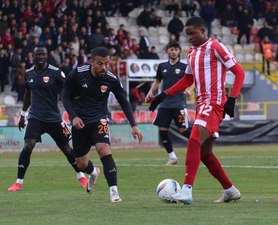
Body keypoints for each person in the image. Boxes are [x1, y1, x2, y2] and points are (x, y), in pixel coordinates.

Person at [148, 17, 245, 204]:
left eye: (193, 33)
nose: (190, 37)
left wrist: (232, 99)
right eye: (187, 34)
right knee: (205, 154)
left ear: (203, 30)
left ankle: (186, 189)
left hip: (215, 103)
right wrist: (163, 95)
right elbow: (187, 80)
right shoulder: (191, 53)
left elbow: (239, 72)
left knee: (193, 139)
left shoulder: (216, 47)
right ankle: (230, 190)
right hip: (202, 104)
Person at [62, 47, 143, 203]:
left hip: (99, 119)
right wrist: (73, 116)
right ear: (92, 61)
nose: (104, 67)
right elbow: (65, 96)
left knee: (104, 149)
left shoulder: (111, 79)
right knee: (80, 164)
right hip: (80, 123)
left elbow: (124, 101)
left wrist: (133, 124)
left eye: (107, 63)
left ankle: (114, 192)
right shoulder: (78, 73)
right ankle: (93, 172)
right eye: (100, 63)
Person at [8, 45, 87, 192]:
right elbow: (27, 94)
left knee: (67, 149)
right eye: (37, 54)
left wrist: (76, 108)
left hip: (54, 118)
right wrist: (23, 115)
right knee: (28, 146)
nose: (40, 57)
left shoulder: (56, 72)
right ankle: (18, 182)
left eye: (43, 54)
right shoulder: (29, 73)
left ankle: (81, 176)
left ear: (46, 56)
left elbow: (68, 89)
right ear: (33, 55)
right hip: (35, 117)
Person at [145, 41, 192, 166]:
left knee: (184, 130)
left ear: (179, 51)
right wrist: (150, 92)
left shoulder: (184, 67)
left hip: (179, 104)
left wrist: (189, 90)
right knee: (162, 130)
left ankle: (201, 146)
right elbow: (157, 82)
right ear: (168, 51)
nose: (174, 51)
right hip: (165, 104)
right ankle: (172, 157)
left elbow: (192, 81)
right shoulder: (162, 66)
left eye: (176, 49)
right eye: (171, 49)